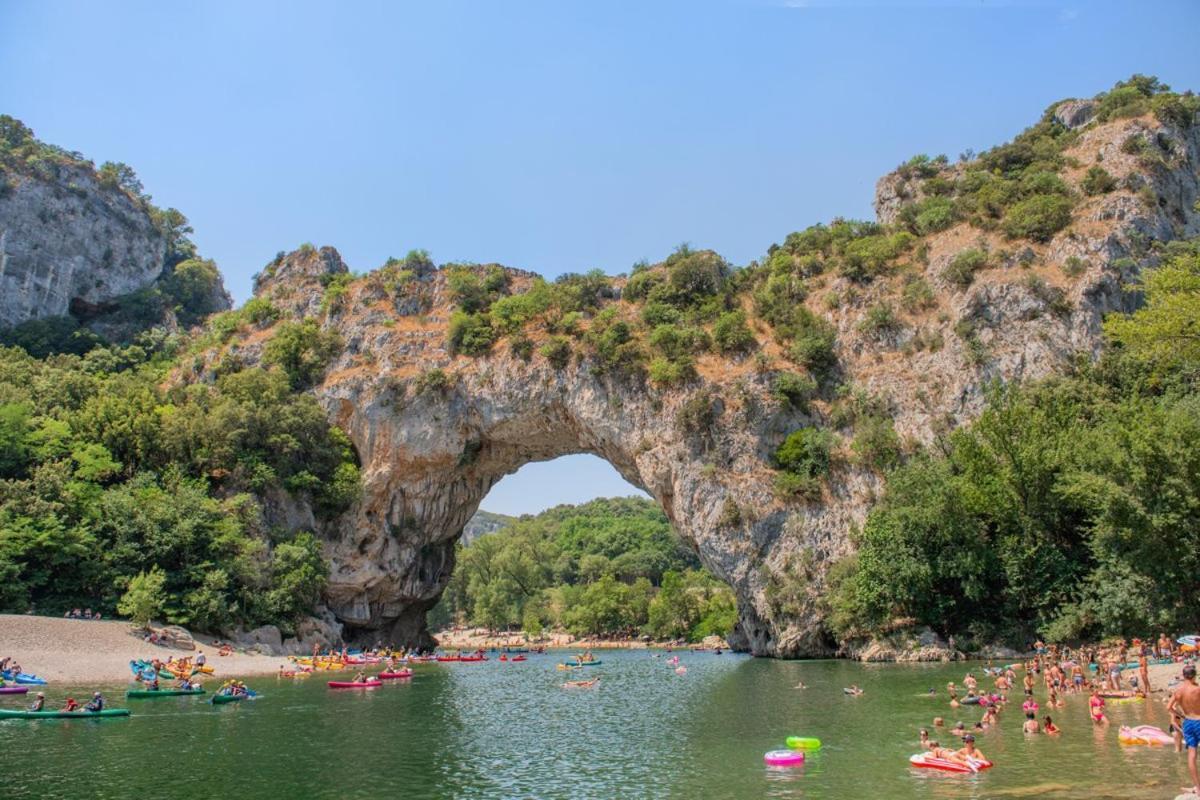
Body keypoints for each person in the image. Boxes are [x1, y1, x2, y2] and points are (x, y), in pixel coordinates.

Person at [1167, 664, 1200, 797]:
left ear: (1183, 676)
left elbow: (1169, 707)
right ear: (1194, 675)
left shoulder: (1178, 691)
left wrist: (1181, 715)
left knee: (1192, 755)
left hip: (1187, 723)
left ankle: (1198, 788)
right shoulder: (1197, 689)